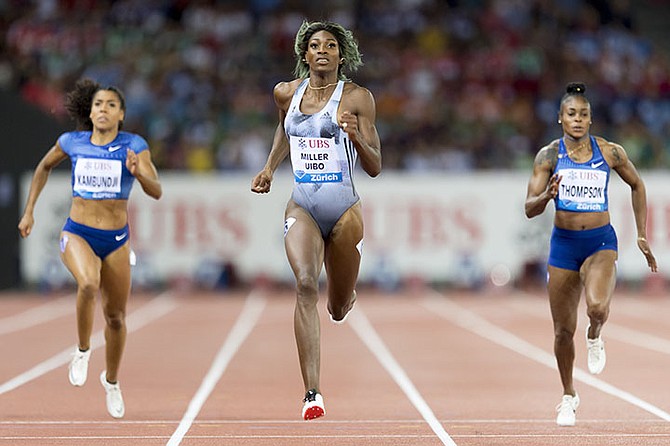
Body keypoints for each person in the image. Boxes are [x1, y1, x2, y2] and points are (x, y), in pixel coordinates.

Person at [251, 20, 382, 420]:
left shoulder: (358, 98)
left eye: (329, 45)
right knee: (306, 285)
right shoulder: (285, 92)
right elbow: (283, 132)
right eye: (313, 45)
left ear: (342, 55)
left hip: (344, 211)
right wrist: (270, 168)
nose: (321, 50)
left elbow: (375, 166)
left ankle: (345, 297)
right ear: (303, 54)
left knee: (338, 308)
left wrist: (356, 136)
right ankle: (312, 393)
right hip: (302, 205)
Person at [18, 78, 162, 418]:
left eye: (111, 105)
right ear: (90, 110)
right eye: (99, 104)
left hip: (116, 241)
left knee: (116, 317)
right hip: (77, 232)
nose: (103, 110)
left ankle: (111, 381)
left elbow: (156, 190)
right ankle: (82, 349)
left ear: (121, 114)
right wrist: (28, 212)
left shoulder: (134, 145)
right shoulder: (72, 142)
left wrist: (138, 173)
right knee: (87, 283)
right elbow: (43, 167)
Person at [524, 82, 658, 427]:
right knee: (561, 332)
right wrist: (546, 197)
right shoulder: (548, 157)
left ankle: (595, 334)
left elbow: (637, 184)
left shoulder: (610, 152)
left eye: (584, 114)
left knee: (597, 307)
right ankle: (568, 395)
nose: (578, 120)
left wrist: (641, 234)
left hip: (600, 243)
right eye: (572, 114)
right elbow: (529, 208)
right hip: (564, 246)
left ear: (591, 119)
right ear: (560, 118)